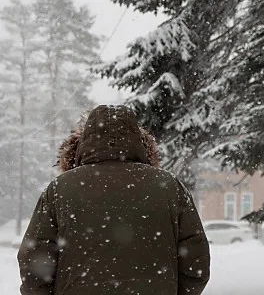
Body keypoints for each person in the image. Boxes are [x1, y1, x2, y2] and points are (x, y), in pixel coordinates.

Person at [17, 105, 210, 295]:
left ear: (81, 143)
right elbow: (196, 262)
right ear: (141, 142)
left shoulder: (60, 188)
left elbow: (34, 263)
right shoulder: (169, 187)